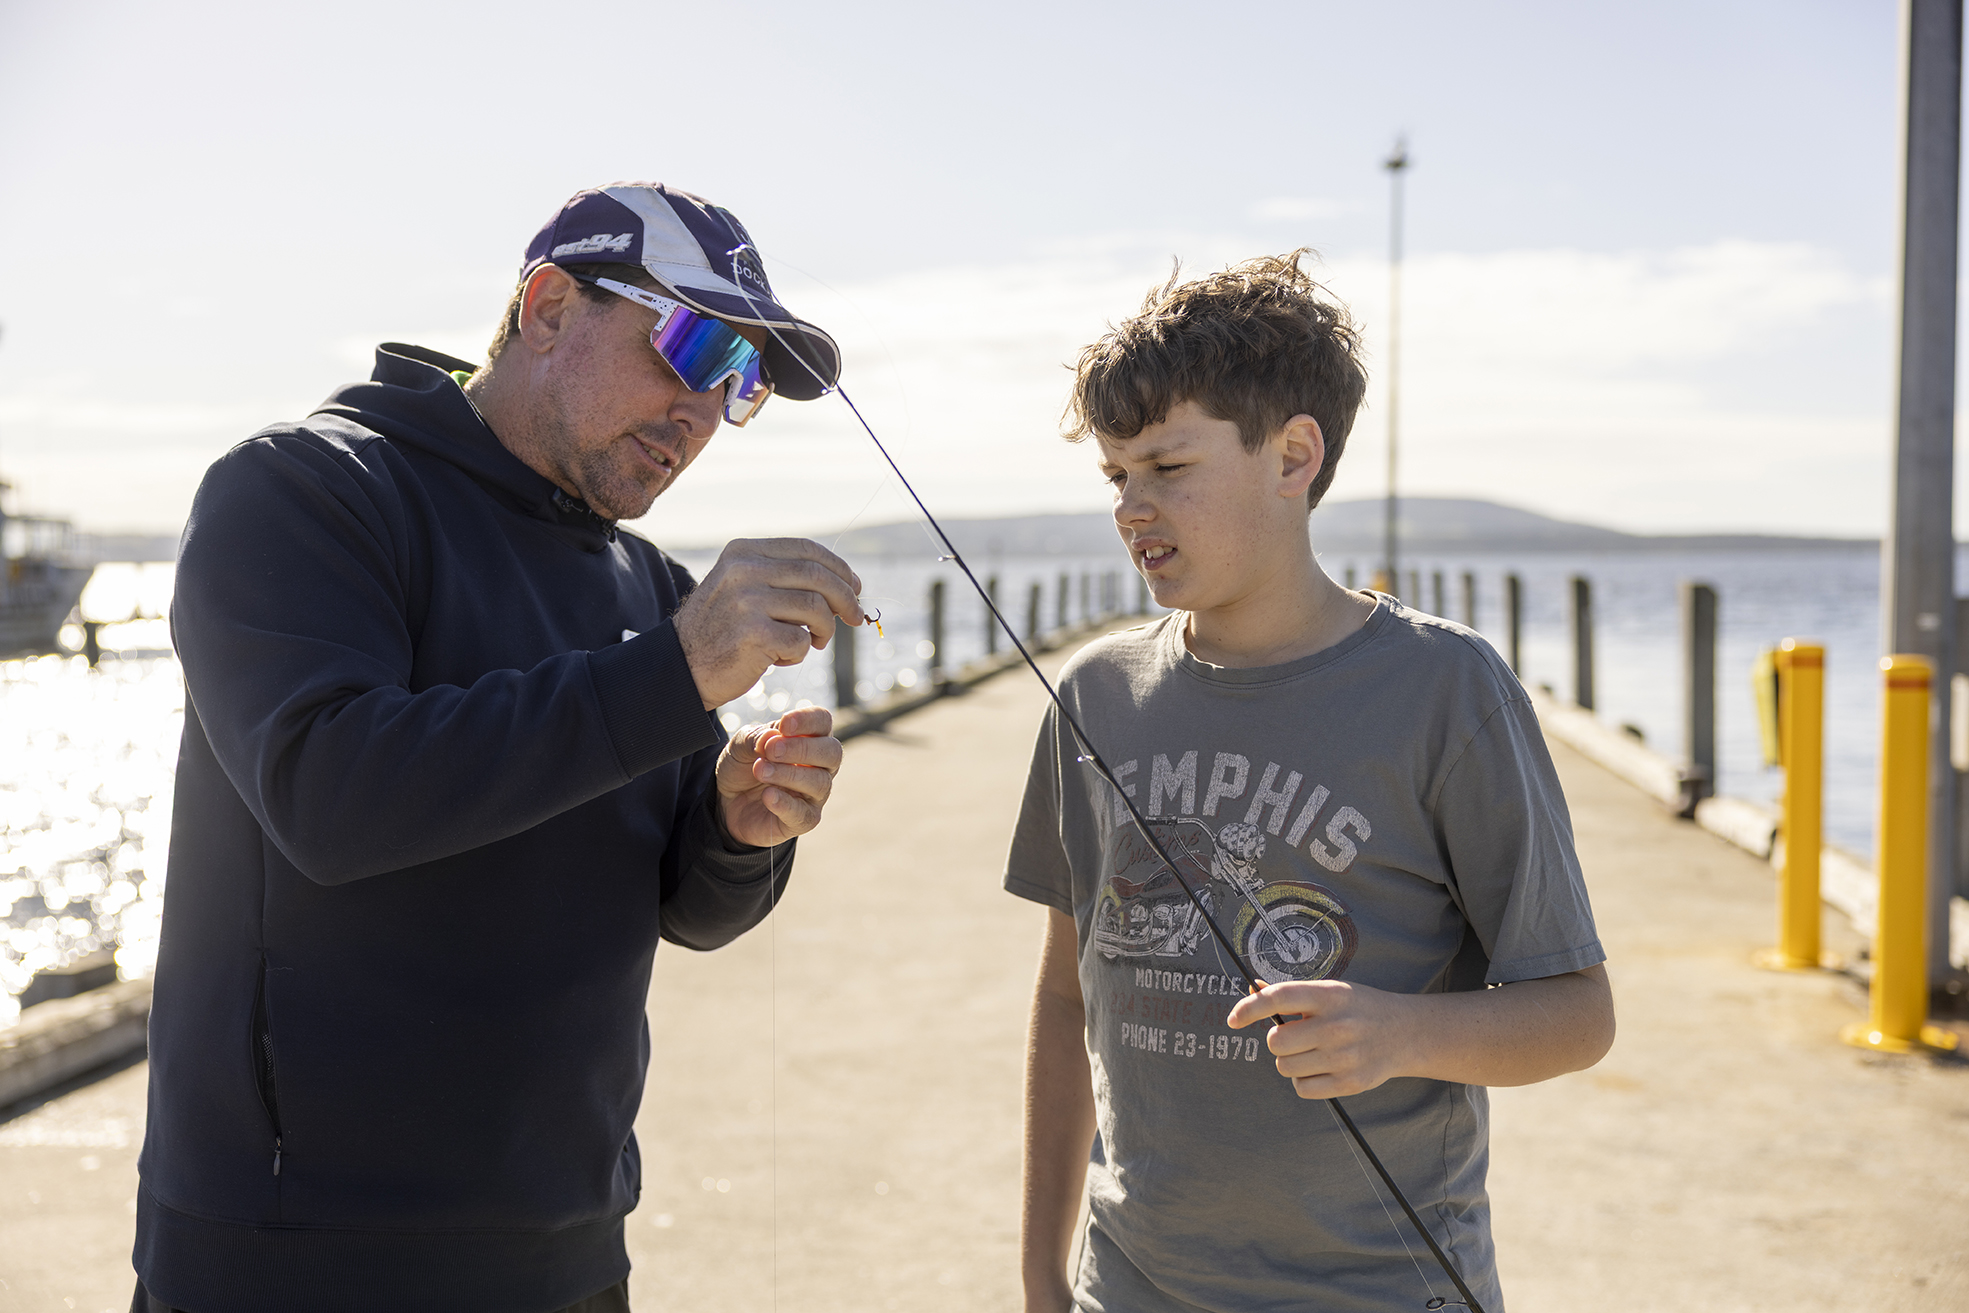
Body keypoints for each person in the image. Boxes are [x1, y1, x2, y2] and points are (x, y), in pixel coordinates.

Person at [133, 183, 867, 1313]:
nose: (702, 410)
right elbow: (329, 794)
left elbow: (687, 907)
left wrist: (735, 825)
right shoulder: (305, 489)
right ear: (547, 306)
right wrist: (669, 672)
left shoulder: (644, 585)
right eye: (690, 343)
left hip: (568, 1252)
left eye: (741, 380)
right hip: (293, 1258)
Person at [1006, 252, 1616, 1313]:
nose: (1131, 507)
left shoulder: (1445, 688)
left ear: (1293, 455)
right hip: (1129, 1282)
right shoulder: (1095, 694)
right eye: (1115, 475)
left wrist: (1402, 1031)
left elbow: (1577, 1012)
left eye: (1168, 466)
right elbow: (1066, 998)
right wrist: (1039, 1277)